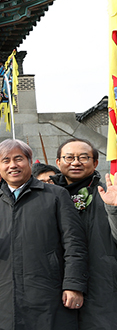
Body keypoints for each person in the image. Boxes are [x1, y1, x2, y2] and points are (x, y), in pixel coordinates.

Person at [0, 139, 88, 330]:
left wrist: (74, 285)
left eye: (18, 159)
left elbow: (75, 243)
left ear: (29, 161)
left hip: (47, 293)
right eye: (6, 161)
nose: (12, 165)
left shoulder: (55, 195)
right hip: (6, 295)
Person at [52, 139, 117, 329]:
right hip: (56, 288)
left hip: (102, 286)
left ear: (95, 162)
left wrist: (114, 209)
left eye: (83, 157)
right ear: (58, 162)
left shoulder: (108, 193)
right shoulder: (46, 196)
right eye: (69, 157)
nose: (75, 162)